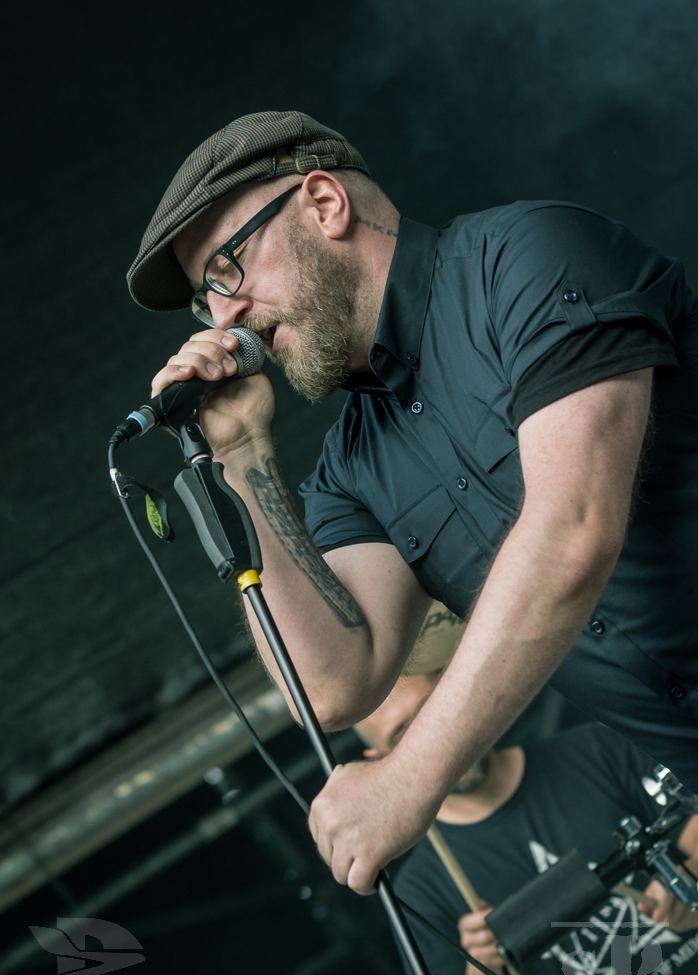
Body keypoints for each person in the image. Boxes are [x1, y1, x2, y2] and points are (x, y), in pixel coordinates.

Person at [125, 109, 698, 896]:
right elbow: (332, 688)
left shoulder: (526, 257)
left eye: (228, 270)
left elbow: (573, 530)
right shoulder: (350, 470)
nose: (225, 316)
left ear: (324, 204)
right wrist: (241, 454)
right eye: (205, 302)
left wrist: (409, 776)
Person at [354, 621, 698, 975]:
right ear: (380, 760)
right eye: (402, 735)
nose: (429, 742)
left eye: (430, 713)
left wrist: (690, 875)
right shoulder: (420, 890)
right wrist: (483, 969)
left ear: (455, 698)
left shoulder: (595, 750)